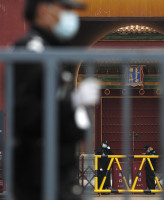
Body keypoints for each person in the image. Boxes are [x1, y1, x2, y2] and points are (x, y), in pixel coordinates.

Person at [12, 1, 100, 200]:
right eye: (66, 9)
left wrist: (79, 112)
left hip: (59, 167)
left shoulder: (54, 50)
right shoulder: (30, 50)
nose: (71, 17)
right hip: (37, 169)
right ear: (44, 9)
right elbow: (26, 114)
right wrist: (72, 103)